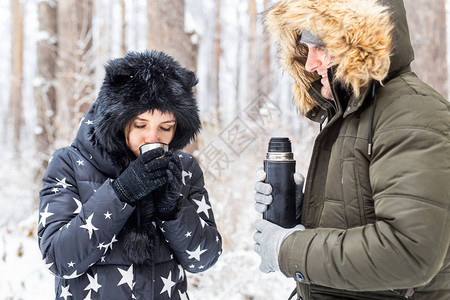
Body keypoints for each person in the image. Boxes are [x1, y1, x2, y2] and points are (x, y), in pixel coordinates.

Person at [253, 0, 450, 299]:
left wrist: (287, 249)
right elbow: (359, 220)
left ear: (359, 42)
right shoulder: (350, 117)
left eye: (321, 46)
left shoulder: (413, 113)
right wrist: (303, 212)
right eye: (306, 48)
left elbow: (408, 251)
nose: (310, 63)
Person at [38, 50, 222, 300]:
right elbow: (58, 259)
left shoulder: (185, 168)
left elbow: (204, 259)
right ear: (118, 120)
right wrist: (121, 193)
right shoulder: (69, 163)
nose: (153, 139)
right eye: (140, 125)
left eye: (166, 127)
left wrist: (173, 210)